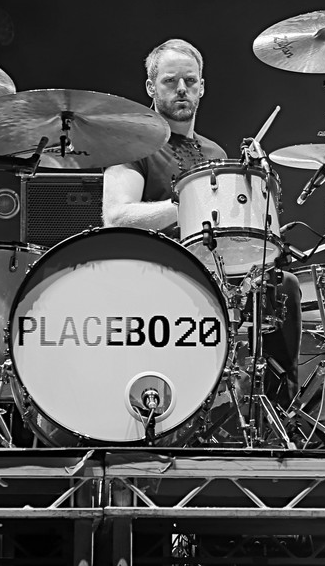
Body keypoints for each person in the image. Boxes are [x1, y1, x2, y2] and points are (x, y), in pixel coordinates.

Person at [102, 38, 301, 392]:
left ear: (202, 87)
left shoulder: (215, 153)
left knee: (282, 285)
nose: (182, 88)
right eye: (170, 81)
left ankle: (278, 406)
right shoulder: (134, 143)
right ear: (151, 87)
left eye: (190, 81)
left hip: (216, 272)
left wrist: (259, 181)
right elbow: (116, 217)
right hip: (156, 273)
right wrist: (188, 206)